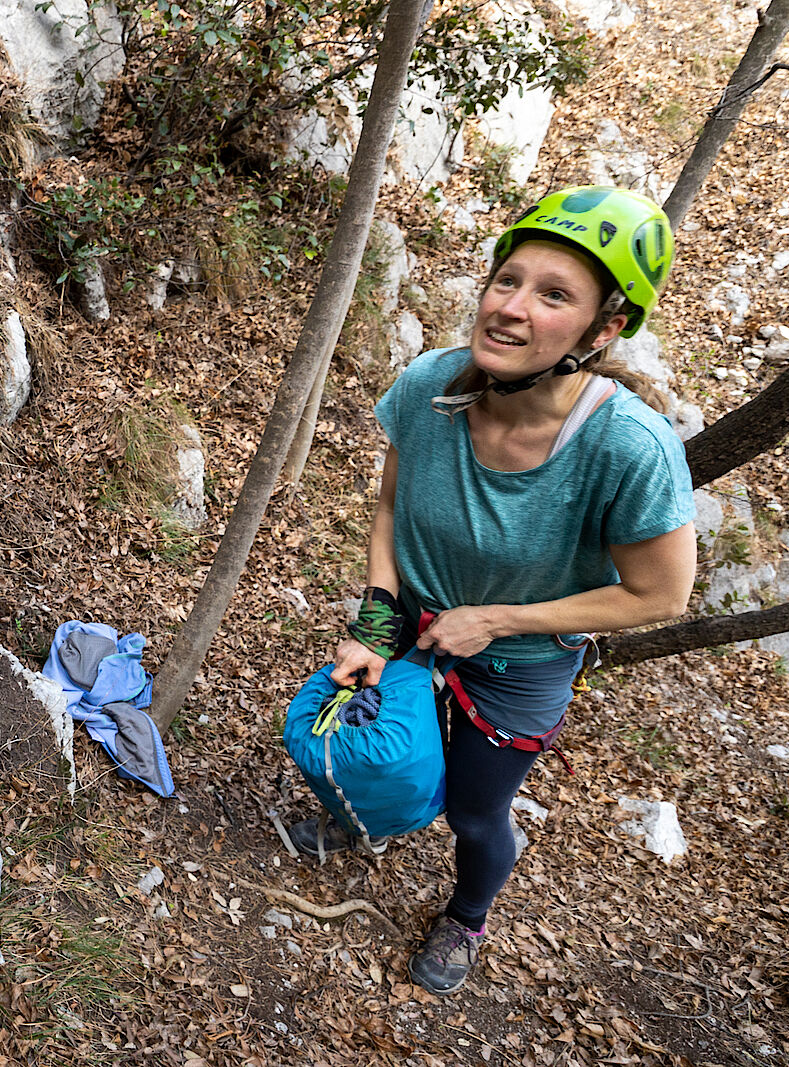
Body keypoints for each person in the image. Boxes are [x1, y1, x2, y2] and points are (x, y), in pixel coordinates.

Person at [293, 186, 698, 996]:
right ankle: (366, 808)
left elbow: (659, 596)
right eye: (507, 281)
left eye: (554, 296)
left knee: (476, 812)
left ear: (605, 327)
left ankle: (467, 914)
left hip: (518, 660)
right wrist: (376, 623)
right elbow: (390, 504)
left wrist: (498, 619)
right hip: (413, 617)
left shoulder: (628, 449)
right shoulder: (433, 385)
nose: (510, 309)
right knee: (373, 737)